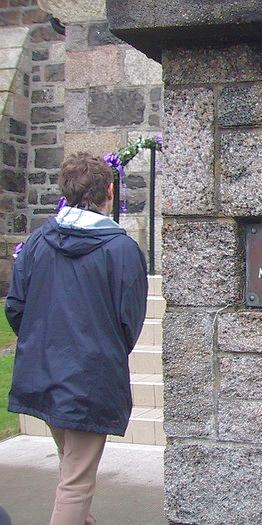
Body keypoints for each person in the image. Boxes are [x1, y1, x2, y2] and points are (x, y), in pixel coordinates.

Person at [6, 152, 148, 525]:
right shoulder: (122, 250)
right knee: (75, 483)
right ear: (110, 191)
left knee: (71, 466)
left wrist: (44, 344)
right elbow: (129, 322)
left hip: (46, 372)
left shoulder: (38, 241)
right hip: (89, 379)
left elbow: (16, 307)